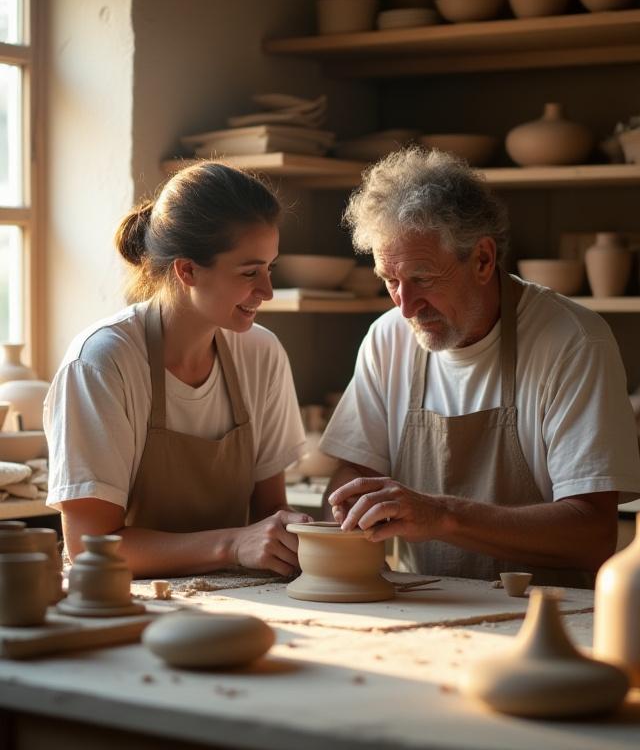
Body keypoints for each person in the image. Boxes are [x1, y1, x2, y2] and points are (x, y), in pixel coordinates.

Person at [320, 147, 640, 588]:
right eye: (390, 281)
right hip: (424, 608)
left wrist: (444, 515)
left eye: (423, 279)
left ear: (484, 260)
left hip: (548, 618)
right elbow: (355, 473)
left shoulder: (572, 342)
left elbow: (592, 534)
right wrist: (347, 513)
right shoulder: (387, 338)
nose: (406, 306)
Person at [44, 161, 311, 578]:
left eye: (270, 268)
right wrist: (232, 544)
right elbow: (90, 549)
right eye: (249, 272)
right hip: (126, 603)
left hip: (241, 595)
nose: (267, 291)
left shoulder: (261, 352)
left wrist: (294, 534)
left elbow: (268, 511)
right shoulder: (102, 362)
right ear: (187, 270)